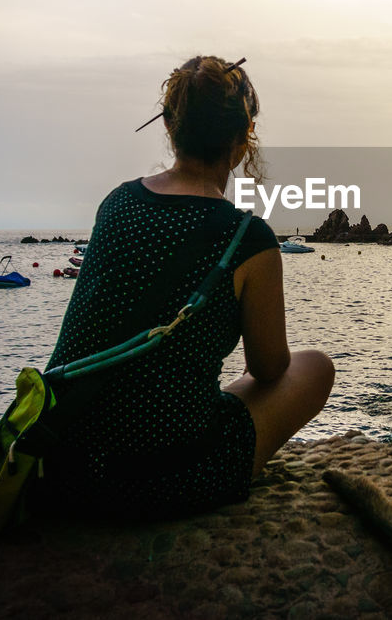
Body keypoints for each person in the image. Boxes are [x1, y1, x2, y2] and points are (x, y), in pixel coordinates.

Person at [42, 55, 334, 518]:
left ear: (170, 127)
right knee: (315, 366)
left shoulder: (117, 203)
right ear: (243, 140)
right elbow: (271, 369)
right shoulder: (247, 238)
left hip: (66, 462)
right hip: (165, 474)